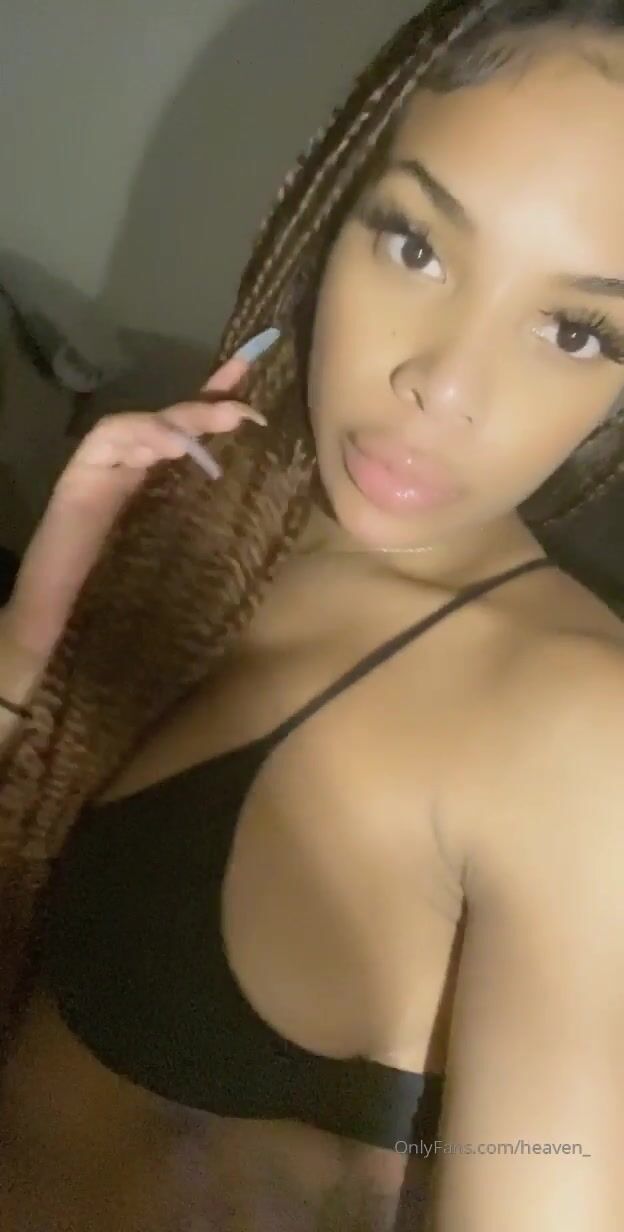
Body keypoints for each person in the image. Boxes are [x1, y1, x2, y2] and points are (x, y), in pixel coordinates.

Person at [0, 0, 623, 1227]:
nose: (442, 382)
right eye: (416, 244)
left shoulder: (582, 736)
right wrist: (37, 625)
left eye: (574, 329)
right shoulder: (229, 517)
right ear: (329, 210)